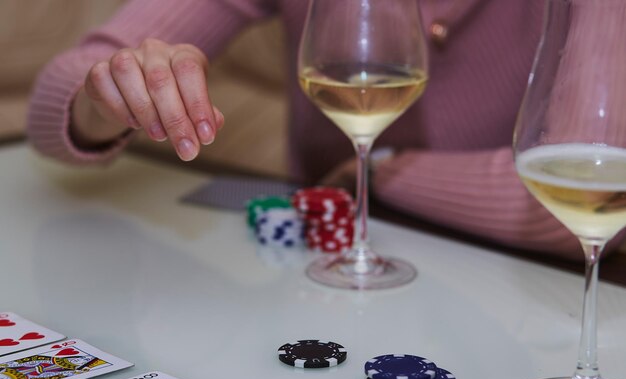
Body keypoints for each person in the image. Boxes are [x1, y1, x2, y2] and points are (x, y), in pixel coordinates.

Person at [26, 0, 615, 260]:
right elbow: (54, 102)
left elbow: (596, 186)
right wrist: (108, 96)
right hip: (315, 277)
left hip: (525, 288)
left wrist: (384, 173)